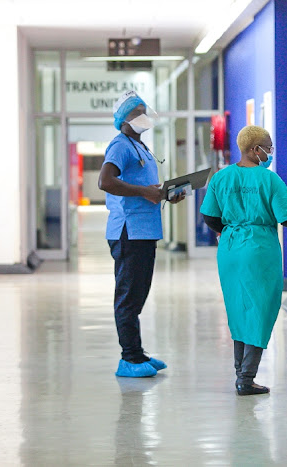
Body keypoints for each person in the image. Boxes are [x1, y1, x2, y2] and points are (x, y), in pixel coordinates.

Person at [200, 125, 287, 396]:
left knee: (239, 309)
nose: (271, 152)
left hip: (229, 249)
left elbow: (210, 217)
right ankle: (247, 378)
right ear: (255, 150)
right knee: (260, 311)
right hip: (258, 250)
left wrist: (230, 228)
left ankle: (241, 373)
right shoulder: (269, 180)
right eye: (269, 147)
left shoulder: (221, 178)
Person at [98, 90, 186, 378]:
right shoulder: (120, 146)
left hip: (145, 232)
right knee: (127, 296)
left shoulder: (141, 147)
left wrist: (165, 194)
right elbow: (106, 181)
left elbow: (146, 190)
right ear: (124, 119)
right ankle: (129, 359)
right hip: (128, 231)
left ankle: (138, 353)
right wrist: (144, 192)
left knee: (137, 295)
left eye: (143, 111)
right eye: (136, 113)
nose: (143, 117)